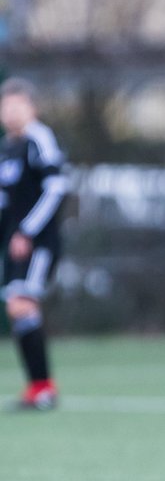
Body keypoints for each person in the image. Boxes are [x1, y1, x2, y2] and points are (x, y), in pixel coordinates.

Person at [0, 77, 68, 411]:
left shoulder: (39, 139)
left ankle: (43, 388)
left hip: (38, 242)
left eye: (16, 104)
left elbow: (55, 188)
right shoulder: (6, 148)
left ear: (32, 108)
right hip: (13, 244)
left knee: (22, 304)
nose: (9, 111)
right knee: (18, 309)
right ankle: (38, 388)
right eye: (5, 105)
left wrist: (27, 231)